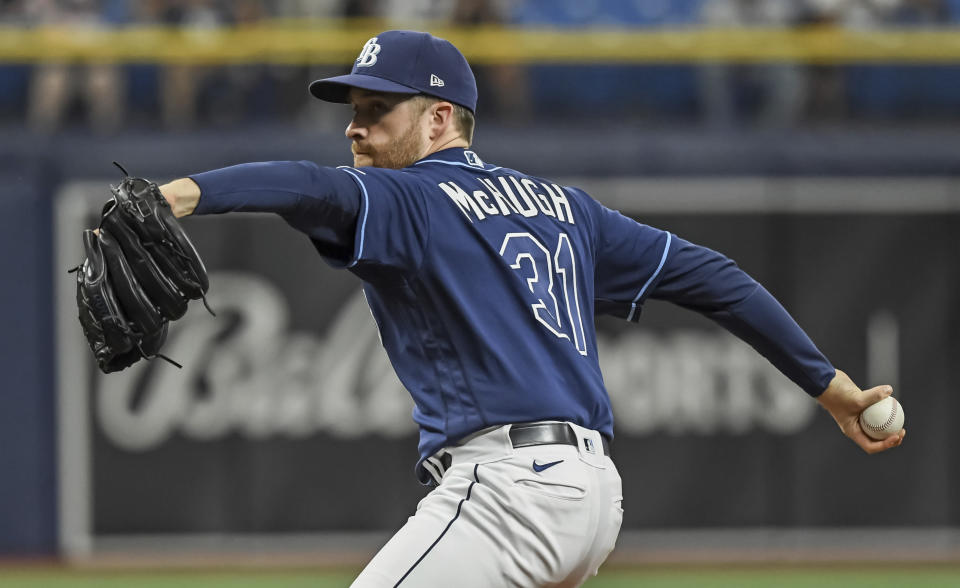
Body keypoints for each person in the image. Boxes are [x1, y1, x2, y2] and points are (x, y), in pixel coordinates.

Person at [156, 30, 905, 587]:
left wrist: (183, 193)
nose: (356, 127)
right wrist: (832, 387)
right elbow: (717, 278)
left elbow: (304, 186)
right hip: (591, 498)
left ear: (440, 119)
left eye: (379, 109)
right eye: (353, 109)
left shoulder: (412, 195)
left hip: (507, 493)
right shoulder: (565, 209)